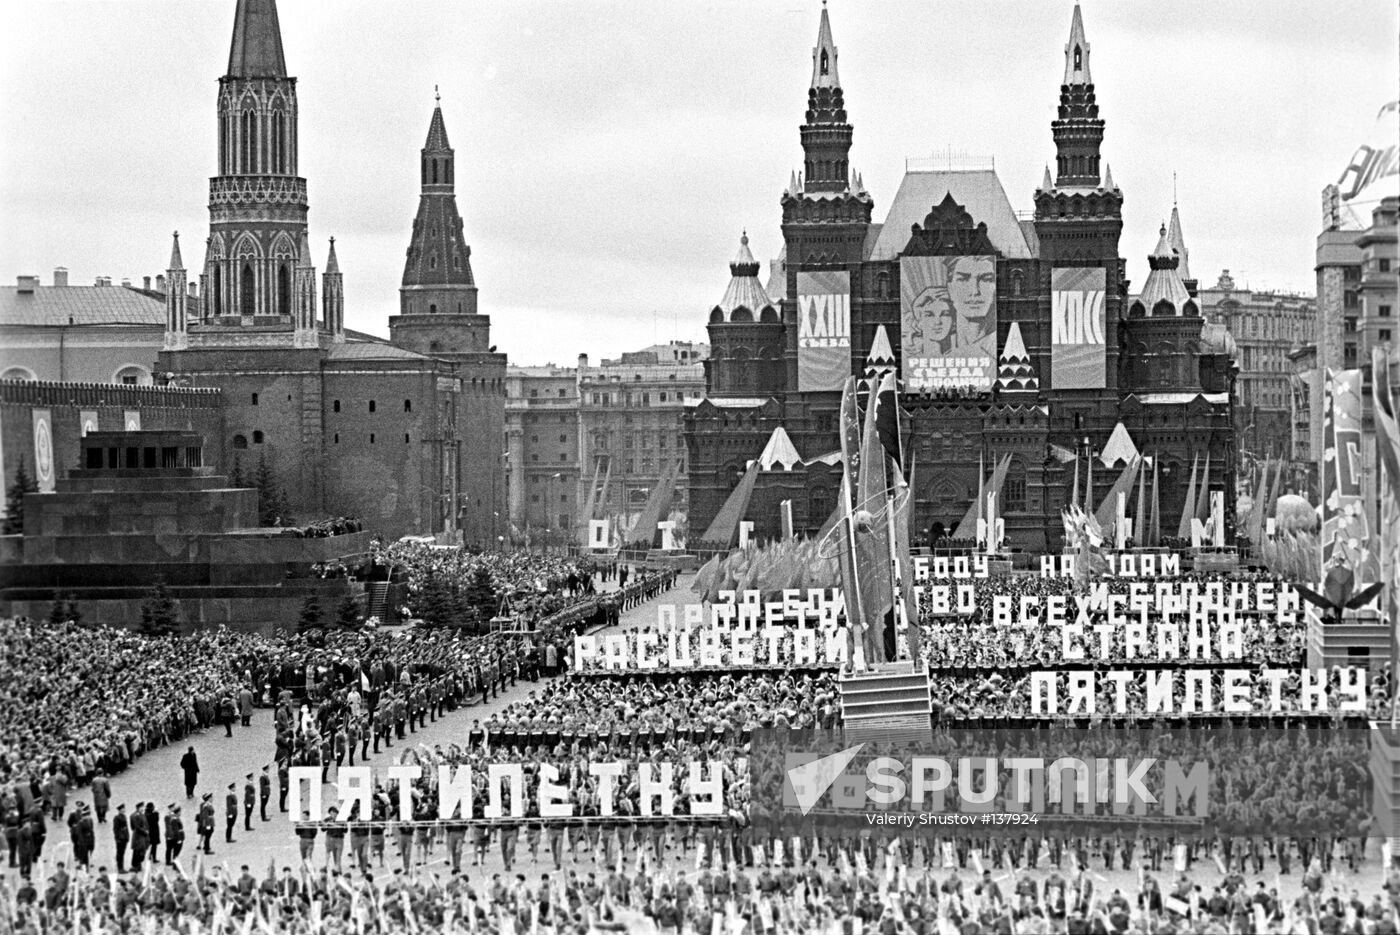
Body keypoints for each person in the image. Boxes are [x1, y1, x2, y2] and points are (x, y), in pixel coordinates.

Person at [112, 804, 130, 873]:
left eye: (124, 808)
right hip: (120, 838)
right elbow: (115, 829)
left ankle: (121, 866)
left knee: (122, 853)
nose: (124, 810)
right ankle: (120, 868)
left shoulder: (124, 816)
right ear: (120, 810)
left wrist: (127, 836)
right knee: (120, 853)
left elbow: (126, 827)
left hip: (124, 837)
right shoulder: (116, 818)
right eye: (123, 809)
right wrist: (118, 838)